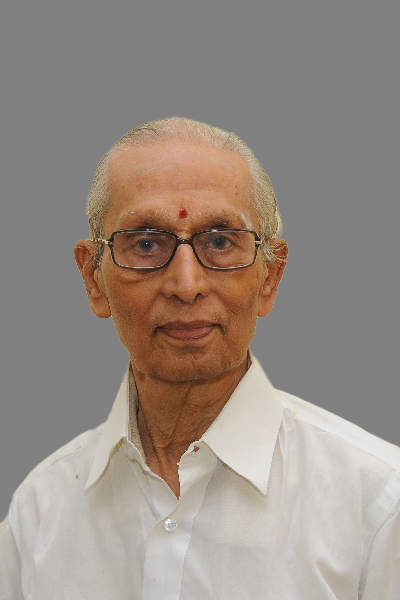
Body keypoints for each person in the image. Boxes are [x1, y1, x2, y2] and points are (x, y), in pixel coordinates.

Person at [0, 117, 399, 599]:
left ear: (270, 278)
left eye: (220, 241)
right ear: (93, 279)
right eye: (147, 244)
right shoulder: (38, 515)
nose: (186, 285)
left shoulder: (378, 505)